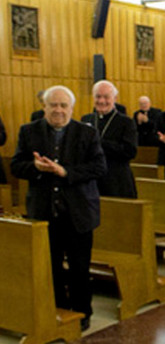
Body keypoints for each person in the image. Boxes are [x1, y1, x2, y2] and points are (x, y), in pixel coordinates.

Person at [11, 85, 106, 331]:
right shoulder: (29, 131)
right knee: (50, 265)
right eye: (53, 105)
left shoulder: (87, 133)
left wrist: (67, 172)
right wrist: (35, 168)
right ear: (44, 107)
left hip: (79, 212)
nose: (58, 110)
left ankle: (82, 312)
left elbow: (99, 167)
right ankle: (59, 309)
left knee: (79, 267)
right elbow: (16, 165)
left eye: (64, 106)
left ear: (72, 109)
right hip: (44, 211)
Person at [81, 80, 138, 198]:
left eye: (106, 97)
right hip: (92, 179)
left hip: (117, 180)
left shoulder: (126, 122)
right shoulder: (86, 119)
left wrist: (98, 143)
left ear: (115, 98)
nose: (101, 101)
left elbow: (130, 151)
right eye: (98, 96)